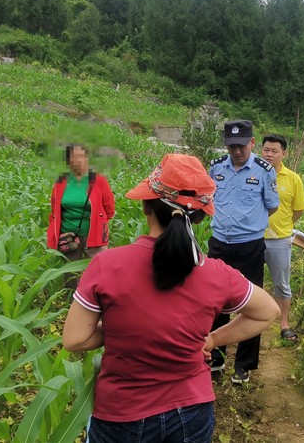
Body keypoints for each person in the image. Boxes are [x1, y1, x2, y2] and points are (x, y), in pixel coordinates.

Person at [62, 154, 280, 443]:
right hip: (193, 412)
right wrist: (212, 340)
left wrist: (122, 327)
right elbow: (268, 311)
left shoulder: (107, 265)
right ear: (200, 217)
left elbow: (74, 339)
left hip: (123, 414)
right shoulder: (215, 272)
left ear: (146, 206)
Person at [208, 120, 279, 384]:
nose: (237, 152)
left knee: (251, 305)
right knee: (215, 303)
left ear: (252, 142)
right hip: (219, 244)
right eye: (231, 147)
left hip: (249, 246)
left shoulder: (264, 170)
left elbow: (272, 205)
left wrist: (249, 223)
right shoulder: (216, 167)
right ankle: (215, 360)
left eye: (241, 146)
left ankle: (244, 365)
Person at [47, 144, 115, 288]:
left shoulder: (98, 180)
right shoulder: (61, 182)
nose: (80, 160)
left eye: (82, 156)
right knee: (70, 273)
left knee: (99, 270)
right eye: (75, 157)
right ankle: (71, 298)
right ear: (68, 161)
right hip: (68, 235)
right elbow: (55, 208)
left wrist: (99, 223)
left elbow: (109, 208)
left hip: (94, 233)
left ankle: (96, 298)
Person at [261, 134, 304, 342]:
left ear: (284, 154)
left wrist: (284, 225)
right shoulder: (254, 173)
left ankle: (284, 324)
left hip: (279, 239)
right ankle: (251, 320)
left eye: (274, 151)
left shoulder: (293, 179)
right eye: (266, 150)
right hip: (252, 237)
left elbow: (298, 210)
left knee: (281, 283)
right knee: (250, 281)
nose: (269, 154)